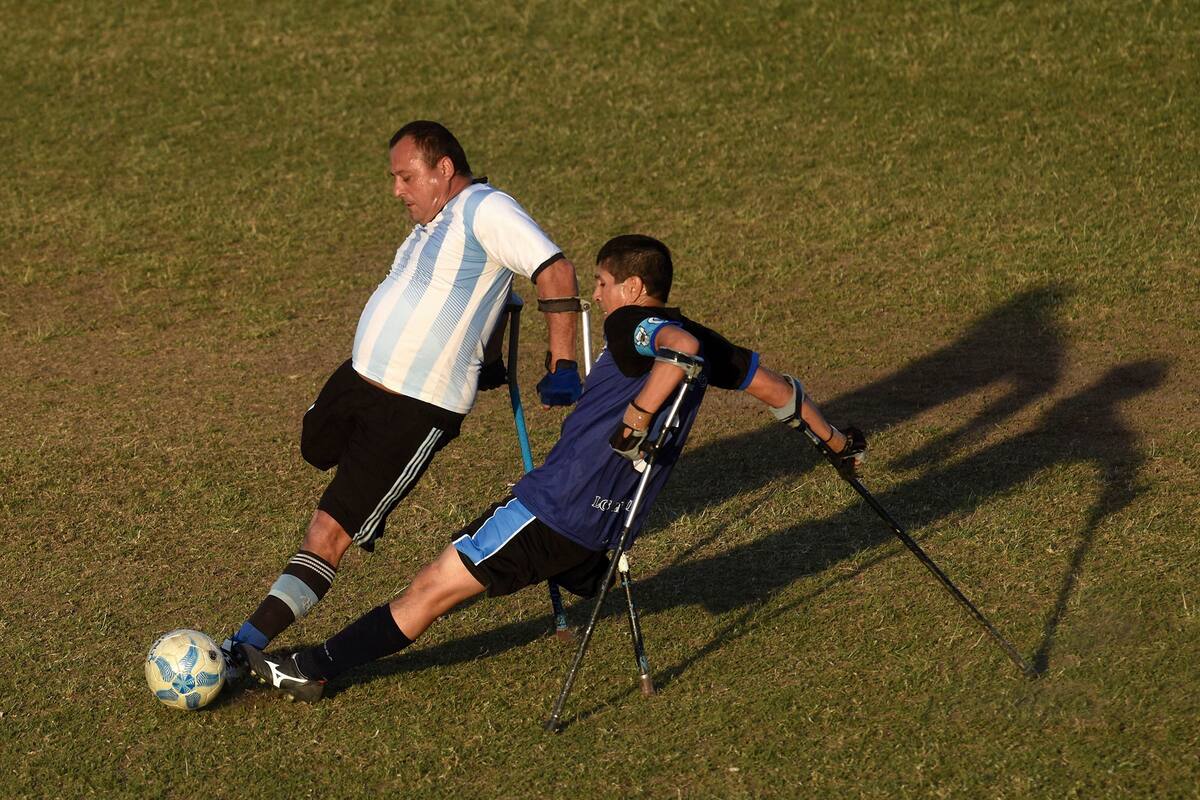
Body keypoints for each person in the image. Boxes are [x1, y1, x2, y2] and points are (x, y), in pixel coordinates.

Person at [236, 234, 866, 701]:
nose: (593, 294)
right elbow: (778, 390)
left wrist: (639, 415)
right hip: (606, 534)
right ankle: (322, 663)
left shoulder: (634, 325)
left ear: (634, 288)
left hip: (553, 509)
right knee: (451, 587)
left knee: (432, 588)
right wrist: (836, 443)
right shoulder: (709, 339)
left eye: (600, 281)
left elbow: (681, 351)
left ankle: (317, 667)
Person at [223, 121, 586, 668]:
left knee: (330, 530)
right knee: (313, 446)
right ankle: (358, 473)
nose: (397, 190)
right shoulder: (432, 218)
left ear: (443, 169)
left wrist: (562, 365)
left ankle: (244, 644)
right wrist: (486, 355)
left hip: (411, 408)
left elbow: (555, 271)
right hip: (356, 380)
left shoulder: (485, 209)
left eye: (405, 177)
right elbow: (478, 289)